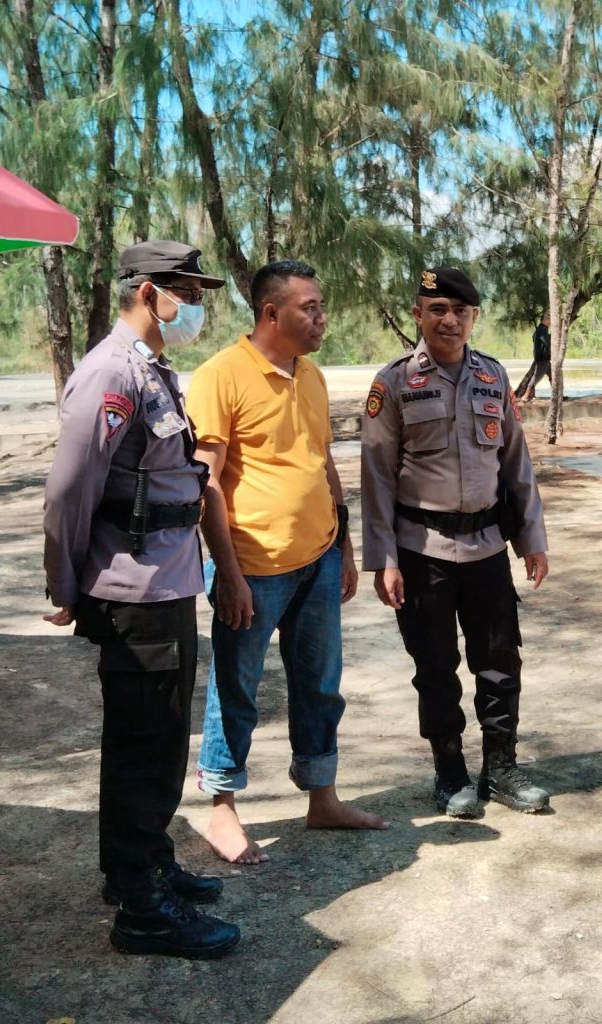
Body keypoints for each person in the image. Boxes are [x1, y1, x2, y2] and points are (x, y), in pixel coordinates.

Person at [43, 240, 240, 959]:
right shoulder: (112, 373)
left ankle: (146, 864)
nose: (197, 305)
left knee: (159, 738)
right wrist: (64, 584)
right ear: (150, 292)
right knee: (143, 746)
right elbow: (69, 491)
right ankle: (141, 908)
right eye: (188, 291)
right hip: (133, 588)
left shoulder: (151, 369)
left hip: (167, 578)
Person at [185, 259, 389, 867]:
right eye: (311, 308)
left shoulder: (313, 375)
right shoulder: (221, 376)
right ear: (272, 313)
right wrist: (228, 574)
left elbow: (322, 464)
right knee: (236, 687)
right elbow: (207, 482)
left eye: (321, 306)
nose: (322, 318)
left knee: (320, 684)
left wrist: (343, 544)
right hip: (252, 567)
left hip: (318, 560)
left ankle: (322, 796)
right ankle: (223, 807)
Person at [360, 267, 550, 818]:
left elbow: (516, 464)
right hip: (422, 552)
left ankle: (501, 769)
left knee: (500, 662)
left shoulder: (492, 375)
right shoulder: (393, 383)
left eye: (460, 311)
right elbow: (377, 478)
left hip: (487, 547)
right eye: (438, 309)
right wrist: (384, 559)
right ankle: (449, 773)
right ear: (418, 314)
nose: (449, 320)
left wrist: (532, 538)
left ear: (473, 317)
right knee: (436, 667)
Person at [518, 314, 551, 402]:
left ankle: (557, 395)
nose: (551, 322)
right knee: (536, 378)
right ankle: (525, 396)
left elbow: (534, 338)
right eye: (550, 320)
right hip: (543, 359)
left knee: (553, 376)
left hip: (543, 358)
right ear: (545, 320)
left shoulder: (539, 330)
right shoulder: (542, 330)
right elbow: (547, 343)